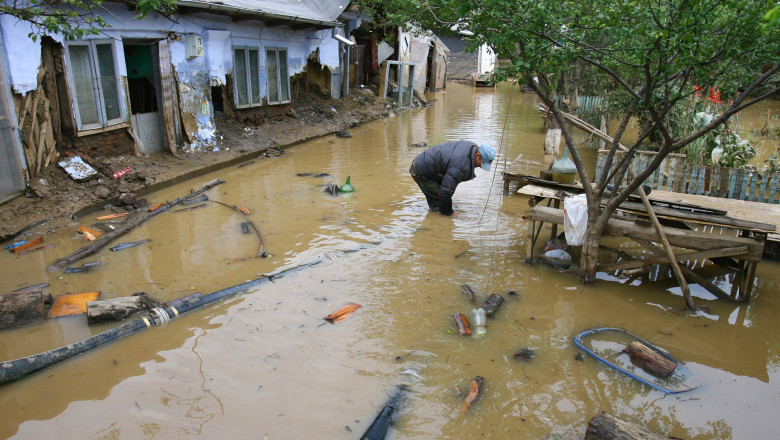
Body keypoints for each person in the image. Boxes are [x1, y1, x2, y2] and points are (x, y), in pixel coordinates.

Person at [409, 140, 495, 216]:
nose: (481, 166)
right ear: (477, 155)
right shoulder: (461, 166)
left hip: (430, 166)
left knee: (443, 198)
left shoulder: (472, 147)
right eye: (482, 163)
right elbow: (445, 192)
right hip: (420, 170)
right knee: (438, 205)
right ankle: (436, 223)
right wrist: (449, 213)